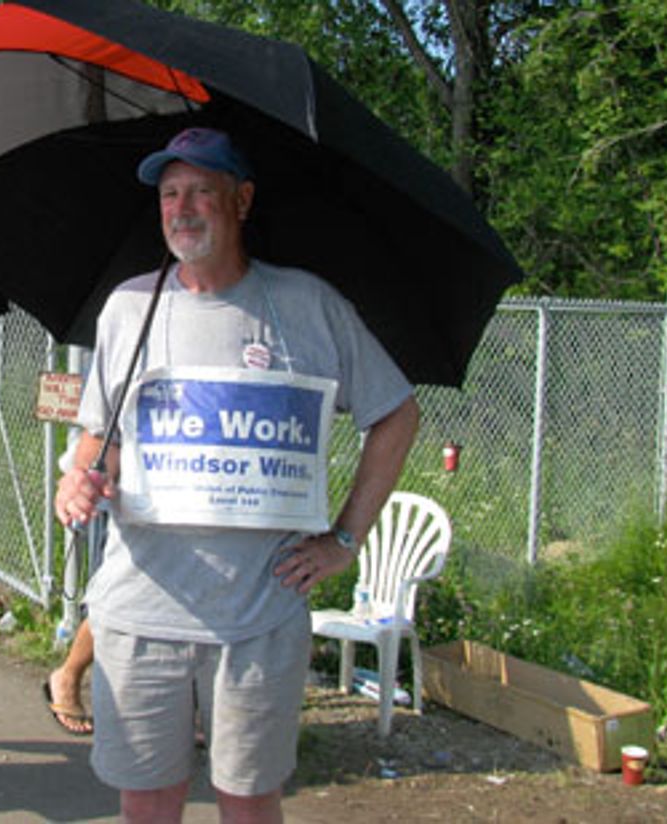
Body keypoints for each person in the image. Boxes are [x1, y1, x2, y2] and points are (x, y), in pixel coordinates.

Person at [54, 127, 420, 823]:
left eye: (200, 191)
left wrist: (345, 538)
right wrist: (82, 477)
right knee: (148, 807)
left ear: (242, 200)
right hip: (138, 613)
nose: (181, 209)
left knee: (250, 805)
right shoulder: (129, 307)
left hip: (260, 617)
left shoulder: (308, 305)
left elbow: (396, 416)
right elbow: (101, 438)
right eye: (168, 194)